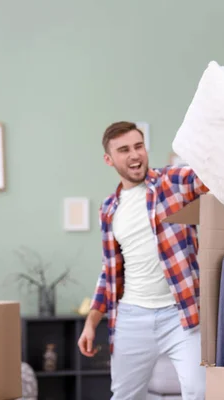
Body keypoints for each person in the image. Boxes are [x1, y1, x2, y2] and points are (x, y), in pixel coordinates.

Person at [77, 121, 208, 400]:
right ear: (109, 159)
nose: (134, 155)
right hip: (132, 317)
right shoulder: (109, 209)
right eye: (124, 150)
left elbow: (211, 180)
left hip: (182, 313)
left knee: (201, 391)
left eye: (138, 146)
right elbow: (109, 272)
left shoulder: (173, 182)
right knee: (125, 396)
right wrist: (91, 322)